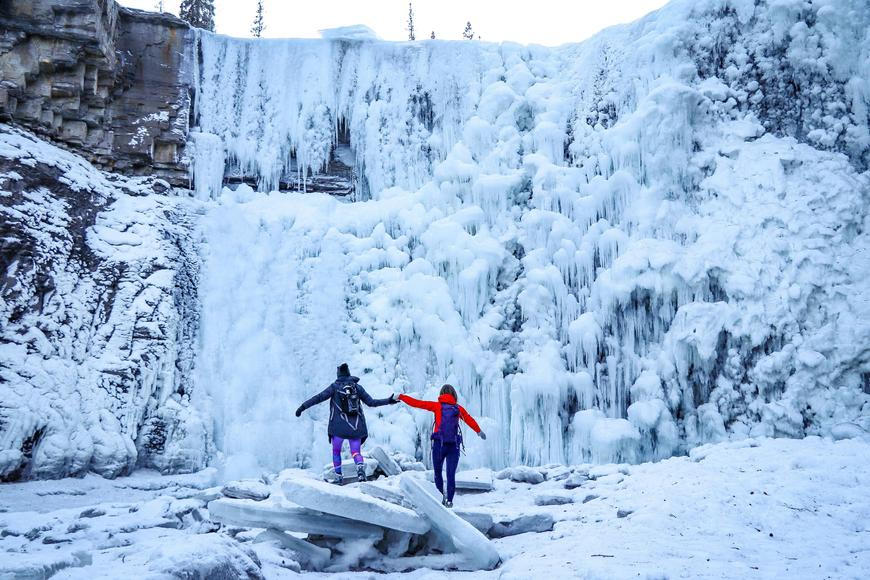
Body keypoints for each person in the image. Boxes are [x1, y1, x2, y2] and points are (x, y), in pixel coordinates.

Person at [296, 363, 398, 483]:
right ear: (348, 373)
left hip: (338, 428)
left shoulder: (334, 387)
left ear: (338, 374)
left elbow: (318, 398)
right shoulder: (357, 387)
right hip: (356, 427)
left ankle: (339, 477)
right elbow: (371, 402)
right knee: (356, 452)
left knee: (336, 452)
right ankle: (360, 472)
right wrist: (389, 400)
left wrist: (302, 407)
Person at [398, 384, 486, 507]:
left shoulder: (437, 406)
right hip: (453, 446)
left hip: (439, 444)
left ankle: (440, 499)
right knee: (450, 475)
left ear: (441, 394)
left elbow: (417, 403)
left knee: (438, 473)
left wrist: (401, 397)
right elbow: (469, 419)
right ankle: (449, 501)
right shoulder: (458, 408)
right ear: (454, 395)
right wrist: (479, 431)